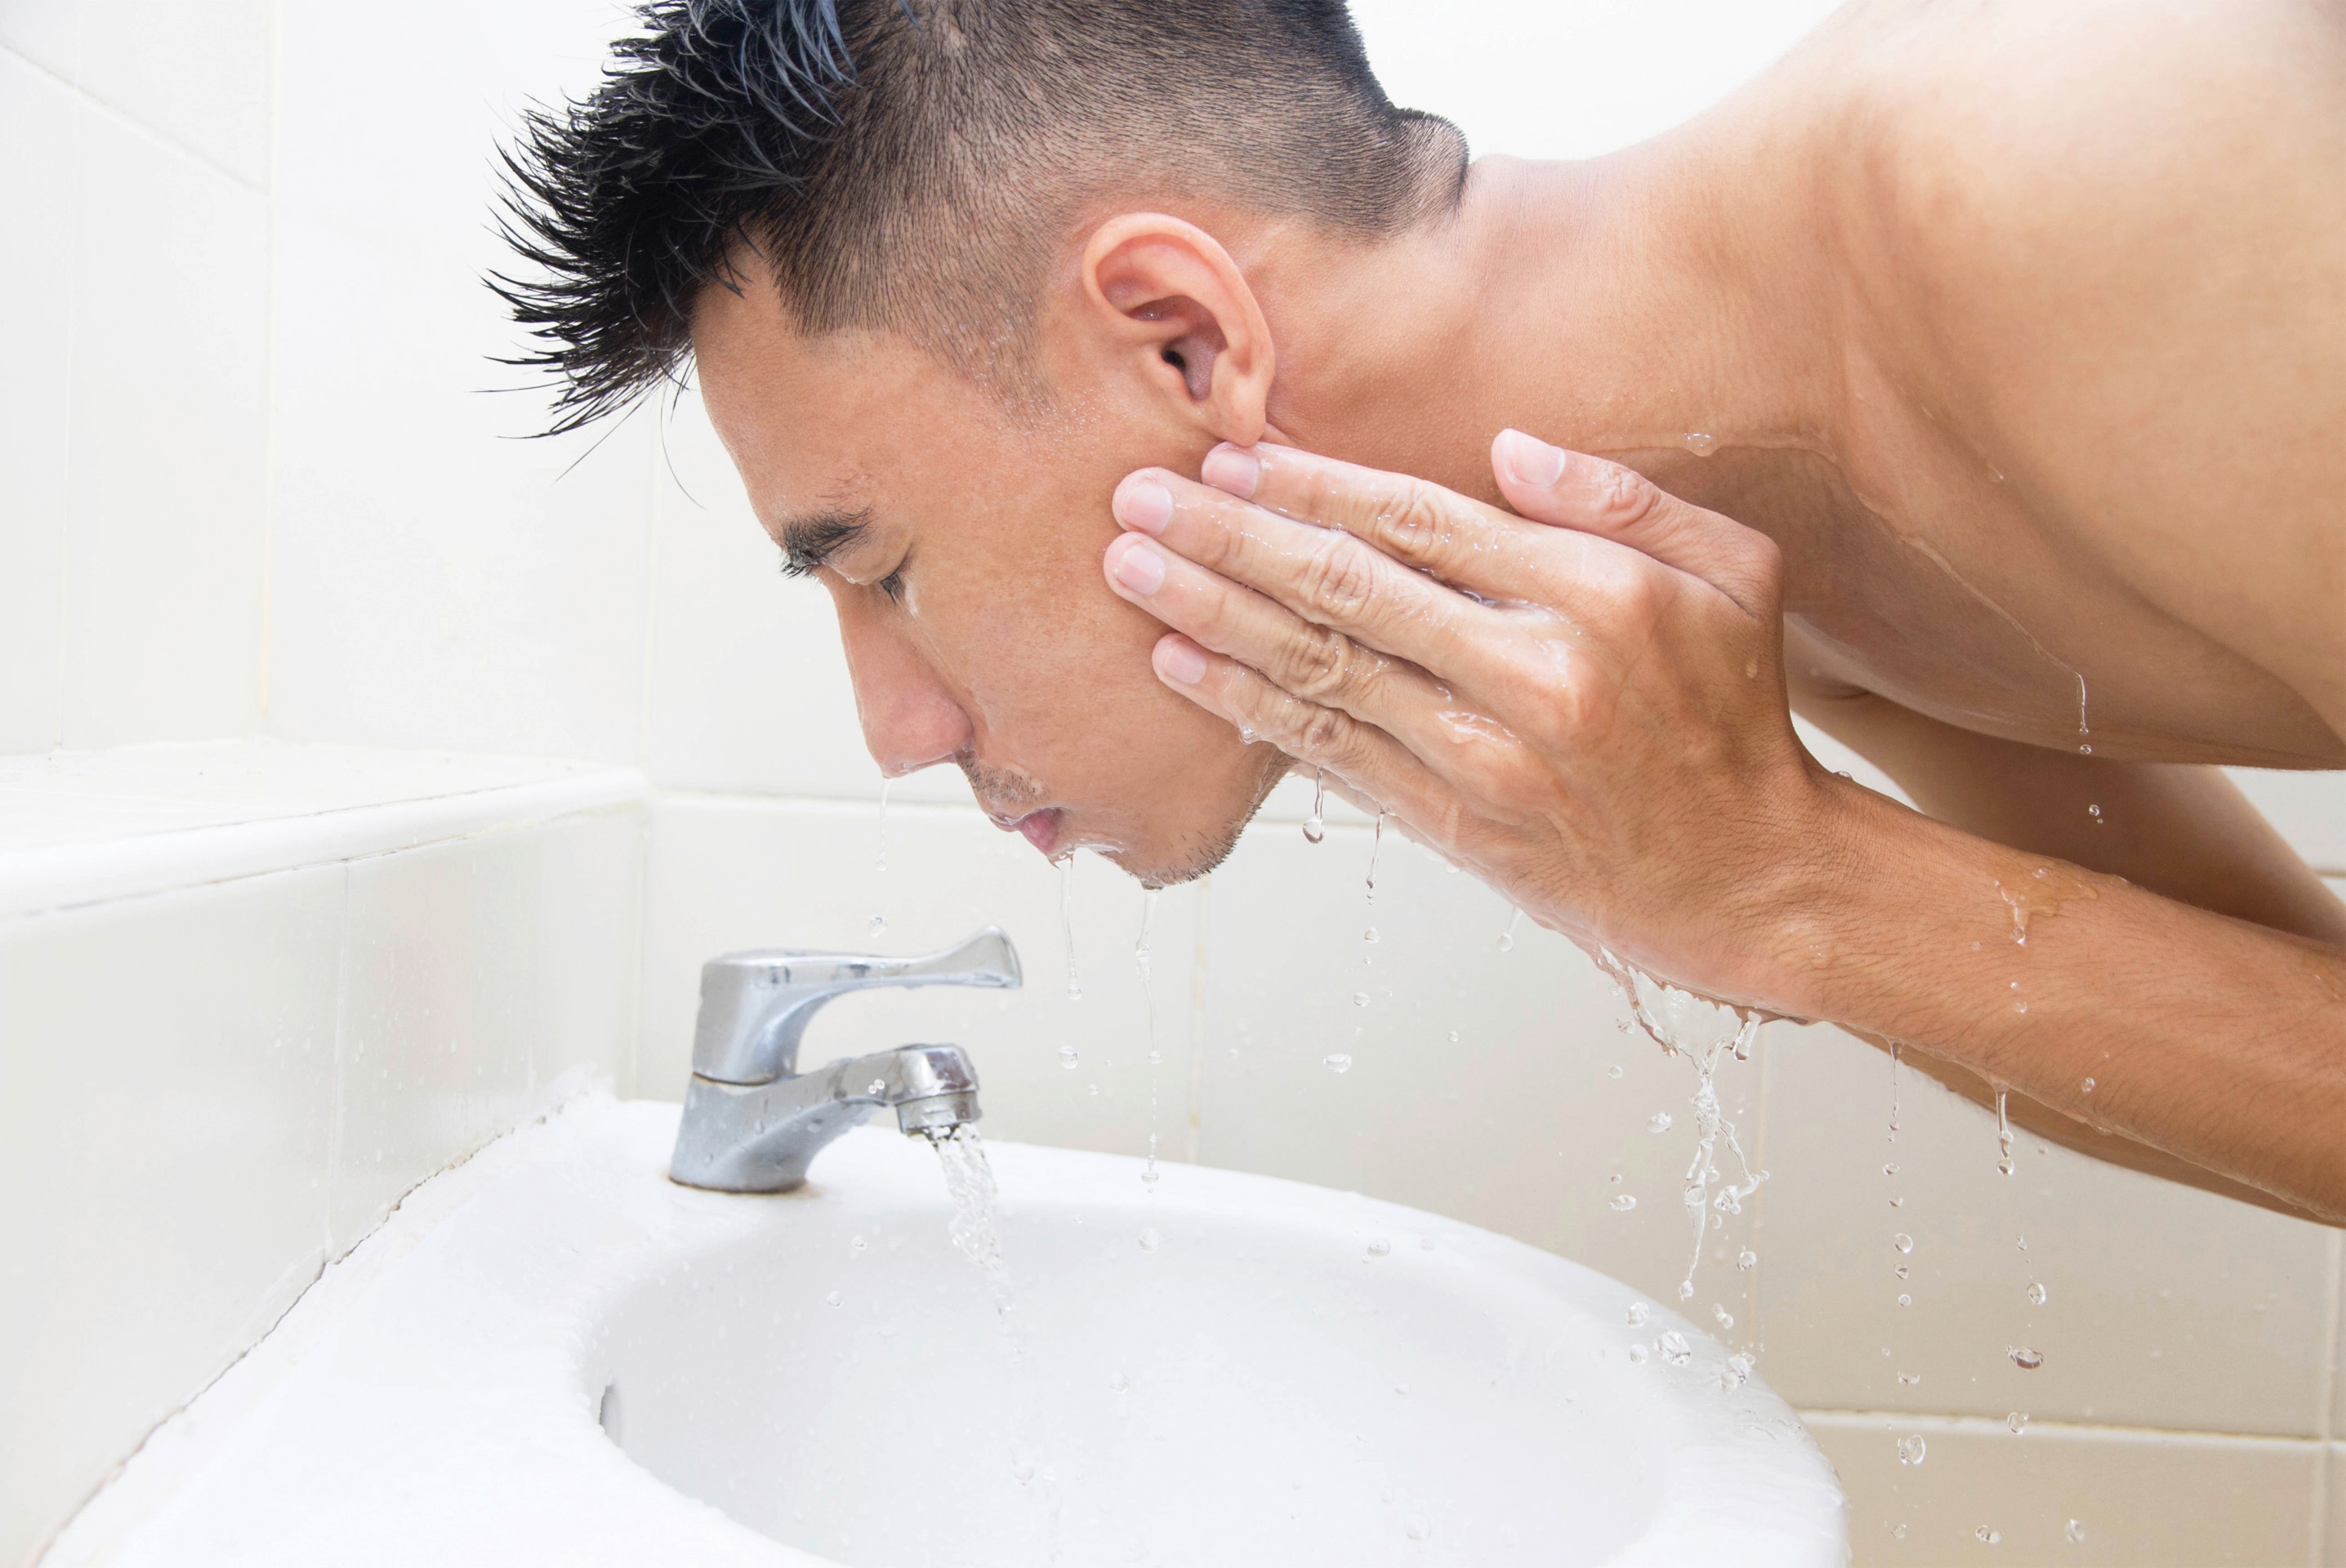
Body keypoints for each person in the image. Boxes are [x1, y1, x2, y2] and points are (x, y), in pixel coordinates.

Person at [496, 0, 2346, 1219]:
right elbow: (2292, 1045)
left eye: (884, 569)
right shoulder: (1724, 537)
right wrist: (1752, 891)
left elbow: (1813, 902)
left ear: (1184, 339)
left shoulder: (2060, 187)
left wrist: (1793, 885)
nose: (897, 727)